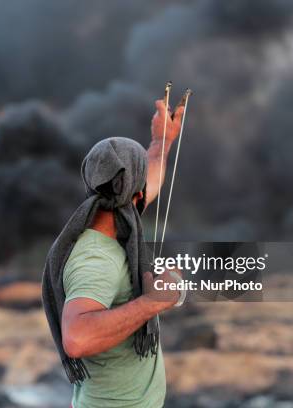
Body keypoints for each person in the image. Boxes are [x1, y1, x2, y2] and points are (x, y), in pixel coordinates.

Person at [42, 98, 186, 408]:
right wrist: (153, 302)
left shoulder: (119, 220)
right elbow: (77, 338)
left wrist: (161, 142)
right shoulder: (96, 258)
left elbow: (151, 178)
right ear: (135, 193)